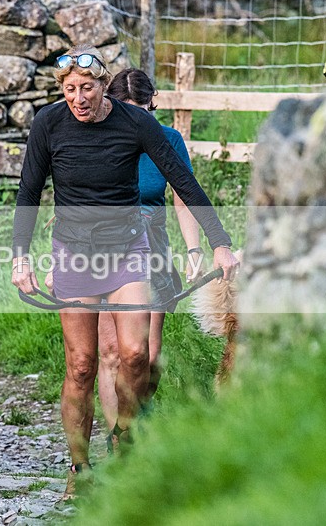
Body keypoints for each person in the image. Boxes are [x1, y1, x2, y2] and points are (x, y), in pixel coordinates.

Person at [11, 45, 239, 500]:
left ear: (103, 85)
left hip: (128, 250)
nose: (79, 98)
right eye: (70, 89)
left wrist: (220, 242)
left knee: (136, 355)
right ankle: (79, 467)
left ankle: (123, 436)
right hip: (74, 254)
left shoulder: (136, 122)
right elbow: (29, 191)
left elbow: (183, 181)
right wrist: (21, 258)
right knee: (81, 365)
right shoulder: (48, 123)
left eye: (87, 88)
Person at [96, 68, 204, 435]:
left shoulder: (168, 140)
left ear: (151, 106)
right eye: (126, 111)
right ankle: (119, 446)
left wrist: (194, 249)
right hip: (106, 248)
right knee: (112, 353)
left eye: (141, 111)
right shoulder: (99, 140)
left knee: (149, 356)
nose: (135, 121)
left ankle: (134, 420)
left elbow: (183, 196)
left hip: (153, 248)